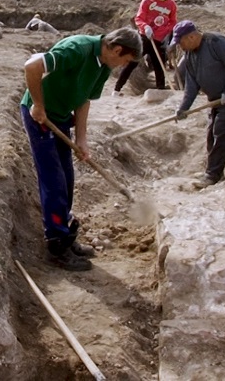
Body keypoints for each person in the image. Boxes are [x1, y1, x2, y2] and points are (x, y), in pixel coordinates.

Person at [20, 27, 142, 271]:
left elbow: (83, 101)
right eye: (125, 61)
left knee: (66, 177)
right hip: (40, 116)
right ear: (117, 50)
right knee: (52, 179)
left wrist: (82, 140)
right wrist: (38, 105)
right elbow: (32, 66)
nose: (120, 66)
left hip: (62, 117)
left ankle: (65, 235)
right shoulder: (77, 48)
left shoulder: (103, 66)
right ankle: (56, 246)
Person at [169, 20, 225, 189]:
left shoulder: (215, 42)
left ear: (191, 36)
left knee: (221, 133)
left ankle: (212, 175)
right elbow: (191, 86)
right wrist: (184, 108)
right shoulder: (190, 55)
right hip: (215, 99)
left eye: (181, 42)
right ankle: (214, 171)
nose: (180, 46)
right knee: (211, 134)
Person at [114, 0, 178, 95]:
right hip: (144, 38)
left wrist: (165, 32)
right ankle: (117, 89)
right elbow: (139, 18)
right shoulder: (147, 2)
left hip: (159, 40)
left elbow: (173, 21)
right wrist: (145, 27)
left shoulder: (171, 3)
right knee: (133, 62)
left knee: (159, 66)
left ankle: (160, 90)